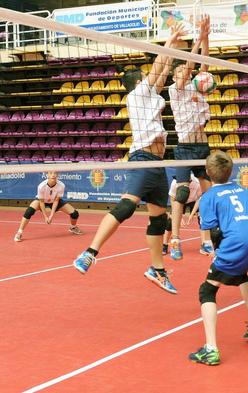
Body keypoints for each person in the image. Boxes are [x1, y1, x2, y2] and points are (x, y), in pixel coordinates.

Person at [72, 25, 185, 294]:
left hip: (156, 163)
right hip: (144, 157)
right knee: (126, 207)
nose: (152, 78)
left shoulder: (151, 96)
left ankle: (156, 269)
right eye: (147, 77)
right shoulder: (137, 94)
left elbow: (162, 71)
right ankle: (89, 252)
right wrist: (168, 42)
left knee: (159, 218)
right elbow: (159, 68)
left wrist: (174, 49)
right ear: (138, 82)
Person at [189, 151, 248, 366]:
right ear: (231, 171)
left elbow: (213, 231)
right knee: (242, 275)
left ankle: (211, 349)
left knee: (207, 290)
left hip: (236, 243)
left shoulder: (208, 197)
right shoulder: (244, 191)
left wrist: (215, 251)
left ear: (207, 173)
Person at [168, 15, 213, 261]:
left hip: (202, 146)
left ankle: (205, 240)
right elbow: (189, 66)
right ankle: (175, 239)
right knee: (182, 194)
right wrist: (195, 42)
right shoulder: (175, 90)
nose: (183, 74)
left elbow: (202, 63)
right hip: (185, 147)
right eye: (179, 72)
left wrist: (205, 35)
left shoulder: (197, 87)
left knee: (208, 195)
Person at [14, 171, 82, 242]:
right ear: (47, 175)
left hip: (54, 201)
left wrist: (51, 215)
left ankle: (73, 227)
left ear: (57, 175)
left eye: (55, 173)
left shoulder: (61, 185)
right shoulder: (41, 186)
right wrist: (46, 216)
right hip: (42, 200)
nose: (53, 175)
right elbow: (41, 202)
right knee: (29, 211)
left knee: (75, 213)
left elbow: (56, 201)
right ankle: (19, 232)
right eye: (51, 173)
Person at [162, 175, 202, 255]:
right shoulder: (174, 183)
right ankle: (165, 245)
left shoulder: (197, 182)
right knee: (171, 221)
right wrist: (179, 217)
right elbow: (173, 201)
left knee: (202, 219)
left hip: (194, 200)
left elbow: (199, 199)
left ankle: (205, 244)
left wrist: (192, 214)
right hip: (180, 201)